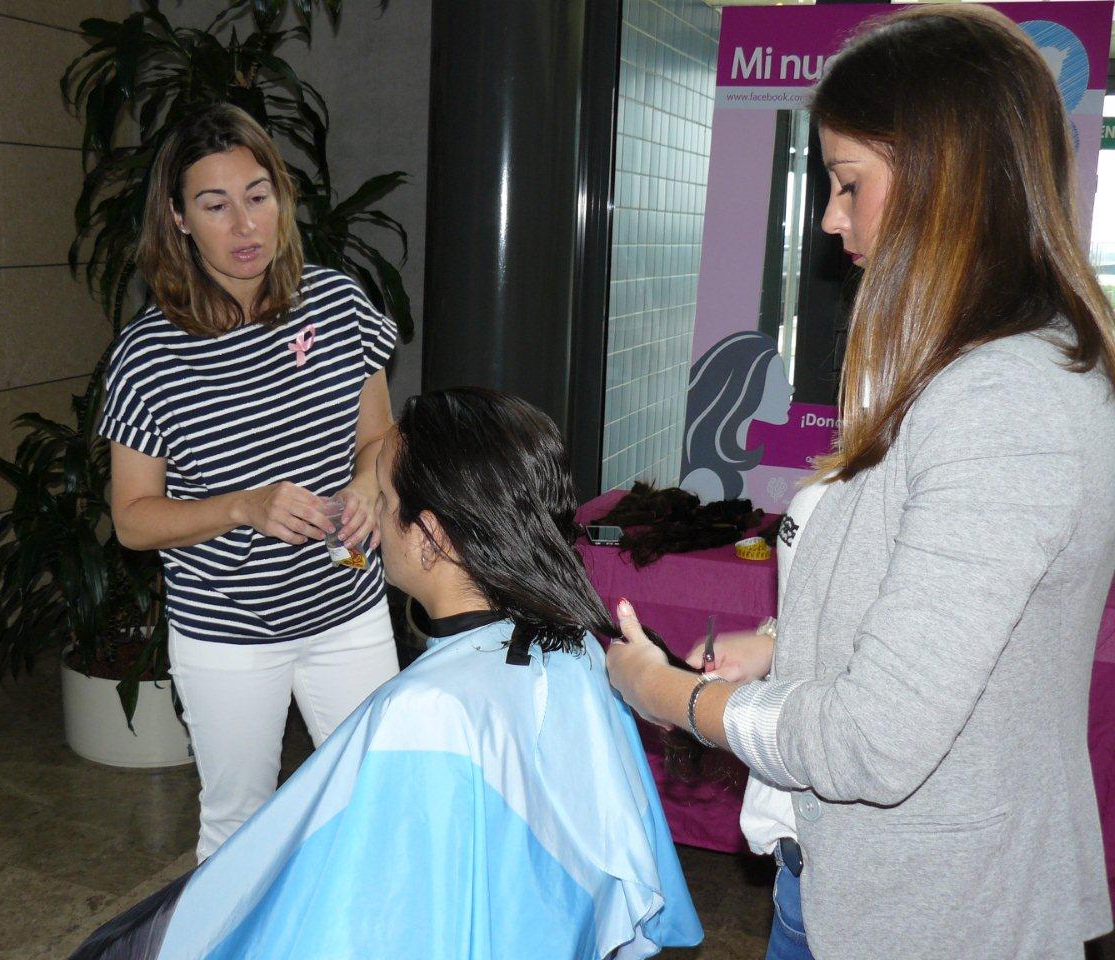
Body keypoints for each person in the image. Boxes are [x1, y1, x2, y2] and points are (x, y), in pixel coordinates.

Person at [608, 7, 1115, 959]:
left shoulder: (1006, 403)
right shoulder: (975, 370)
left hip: (936, 907)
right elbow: (933, 619)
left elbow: (875, 743)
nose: (832, 217)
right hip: (865, 882)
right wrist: (782, 646)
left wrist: (672, 698)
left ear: (945, 180)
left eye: (849, 184)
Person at [71, 388, 702, 960]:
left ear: (429, 536)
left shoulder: (427, 711)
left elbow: (359, 923)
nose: (369, 519)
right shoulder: (581, 647)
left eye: (384, 499)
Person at [102, 104, 399, 862]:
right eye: (215, 204)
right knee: (239, 829)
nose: (244, 225)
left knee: (375, 807)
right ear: (178, 219)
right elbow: (132, 519)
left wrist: (368, 487)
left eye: (258, 196)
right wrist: (243, 505)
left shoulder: (337, 303)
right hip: (227, 634)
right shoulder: (148, 354)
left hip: (348, 612)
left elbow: (381, 437)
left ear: (282, 200)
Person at [679, 330, 792, 503]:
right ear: (745, 389)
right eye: (779, 379)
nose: (790, 389)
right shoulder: (708, 480)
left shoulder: (726, 467)